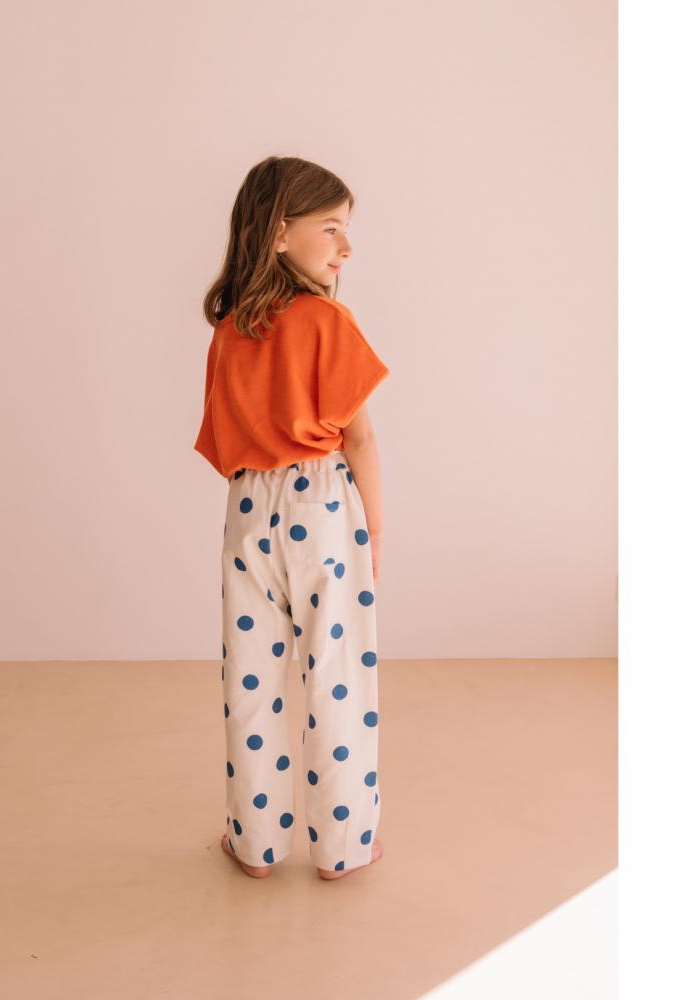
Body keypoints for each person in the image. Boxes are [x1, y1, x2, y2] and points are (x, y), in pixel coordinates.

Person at [193, 156, 390, 880]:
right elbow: (359, 440)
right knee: (336, 679)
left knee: (251, 680)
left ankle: (255, 845)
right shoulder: (327, 322)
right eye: (331, 228)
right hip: (323, 506)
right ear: (279, 233)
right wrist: (373, 531)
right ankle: (343, 848)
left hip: (248, 508)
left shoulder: (230, 331)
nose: (346, 247)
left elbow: (224, 446)